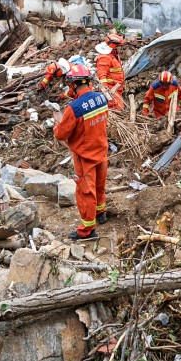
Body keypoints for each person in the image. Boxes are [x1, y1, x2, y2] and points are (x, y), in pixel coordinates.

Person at [53, 63, 110, 240]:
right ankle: (101, 213)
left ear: (73, 84)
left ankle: (87, 230)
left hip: (85, 156)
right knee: (100, 186)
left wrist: (57, 123)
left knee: (86, 192)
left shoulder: (74, 108)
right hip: (101, 150)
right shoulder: (101, 98)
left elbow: (61, 133)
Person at [94, 32, 126, 111]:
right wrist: (106, 94)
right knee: (117, 108)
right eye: (119, 47)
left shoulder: (114, 56)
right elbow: (102, 77)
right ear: (114, 47)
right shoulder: (105, 58)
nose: (121, 49)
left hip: (116, 89)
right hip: (111, 90)